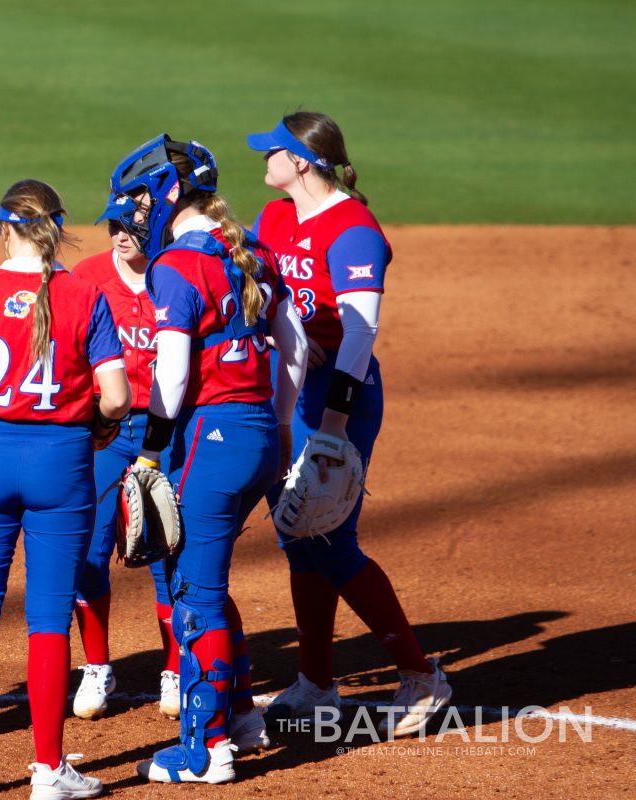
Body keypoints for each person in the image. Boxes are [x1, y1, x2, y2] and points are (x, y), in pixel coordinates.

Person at [96, 135, 306, 784]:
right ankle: (240, 715)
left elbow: (174, 370)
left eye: (137, 201)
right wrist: (275, 425)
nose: (131, 215)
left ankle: (205, 749)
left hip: (210, 439)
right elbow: (292, 345)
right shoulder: (247, 253)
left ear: (166, 196)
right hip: (259, 440)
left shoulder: (178, 265)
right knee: (207, 580)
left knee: (193, 595)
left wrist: (152, 450)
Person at [246, 112, 452, 738]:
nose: (264, 160)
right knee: (294, 530)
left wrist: (332, 422)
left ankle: (421, 676)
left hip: (341, 393)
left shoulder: (355, 231)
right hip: (290, 387)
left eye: (273, 152)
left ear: (302, 161)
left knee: (329, 534)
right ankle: (315, 681)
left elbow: (360, 332)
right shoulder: (274, 216)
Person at [0, 179, 130, 799]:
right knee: (47, 617)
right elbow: (117, 396)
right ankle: (48, 771)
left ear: (2, 227)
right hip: (62, 463)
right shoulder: (86, 294)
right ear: (56, 228)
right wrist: (94, 423)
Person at [69, 215, 180, 721]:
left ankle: (176, 669)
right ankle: (97, 666)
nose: (120, 234)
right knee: (87, 550)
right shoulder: (87, 276)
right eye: (113, 223)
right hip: (104, 429)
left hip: (166, 430)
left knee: (167, 549)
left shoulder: (178, 271)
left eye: (132, 225)